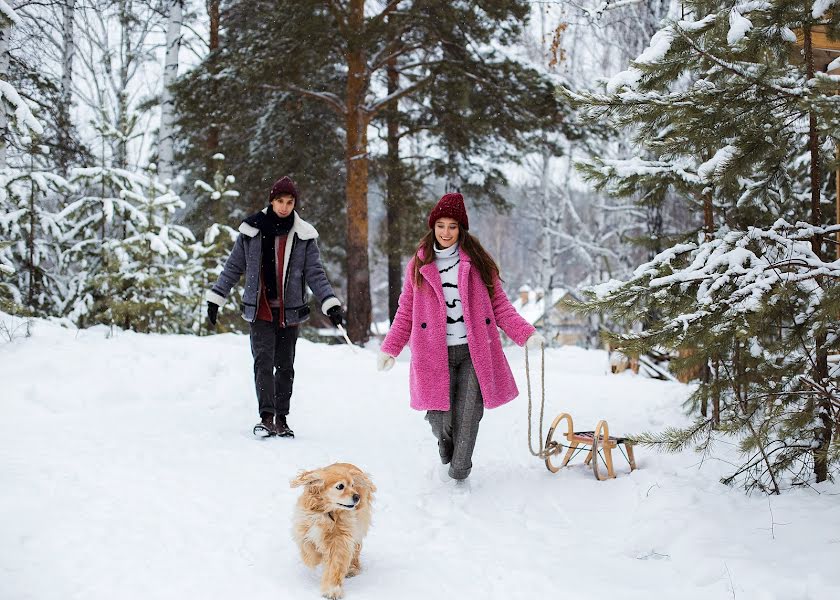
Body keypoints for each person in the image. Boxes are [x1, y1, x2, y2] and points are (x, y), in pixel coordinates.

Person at [377, 192, 544, 480]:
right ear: (433, 227)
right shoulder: (418, 264)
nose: (446, 232)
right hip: (433, 353)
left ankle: (459, 471)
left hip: (473, 350)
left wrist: (525, 334)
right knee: (442, 418)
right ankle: (445, 444)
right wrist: (390, 348)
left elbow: (500, 306)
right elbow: (406, 311)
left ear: (461, 229)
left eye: (452, 226)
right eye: (440, 225)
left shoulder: (478, 263)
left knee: (468, 415)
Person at [206, 176, 345, 437]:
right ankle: (266, 417)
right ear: (271, 201)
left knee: (285, 365)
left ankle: (282, 419)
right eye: (280, 201)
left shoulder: (304, 236)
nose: (284, 207)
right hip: (260, 309)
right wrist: (217, 297)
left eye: (289, 202)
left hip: (289, 311)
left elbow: (315, 274)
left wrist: (330, 303)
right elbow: (234, 267)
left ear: (294, 204)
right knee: (263, 363)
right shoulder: (252, 230)